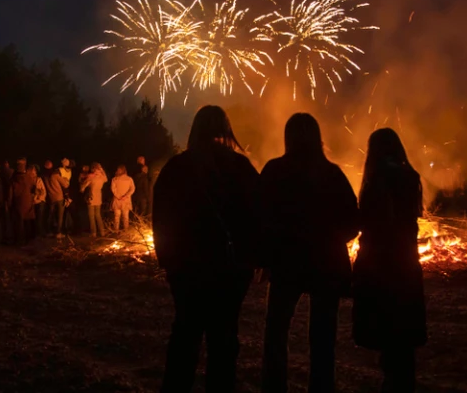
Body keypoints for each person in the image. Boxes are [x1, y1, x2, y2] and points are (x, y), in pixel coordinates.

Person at [152, 105, 260, 393]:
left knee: (185, 335)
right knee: (224, 339)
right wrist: (252, 260)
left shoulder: (177, 168)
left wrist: (168, 262)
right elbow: (259, 215)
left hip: (187, 269)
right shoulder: (241, 168)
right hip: (231, 269)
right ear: (226, 129)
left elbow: (161, 218)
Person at [259, 113, 359, 393]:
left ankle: (274, 387)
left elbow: (259, 217)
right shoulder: (333, 174)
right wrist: (330, 240)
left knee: (276, 332)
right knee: (323, 337)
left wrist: (265, 256)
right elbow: (353, 221)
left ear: (287, 137)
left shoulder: (275, 171)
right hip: (326, 265)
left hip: (285, 263)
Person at [352, 128, 426, 392]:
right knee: (403, 338)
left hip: (380, 265)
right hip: (406, 262)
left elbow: (372, 225)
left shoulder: (376, 179)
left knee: (386, 332)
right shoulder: (411, 176)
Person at [7, 158, 35, 245]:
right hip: (27, 202)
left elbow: (10, 193)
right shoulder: (28, 177)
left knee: (19, 223)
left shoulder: (13, 179)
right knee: (27, 222)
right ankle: (28, 240)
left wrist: (9, 203)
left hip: (18, 203)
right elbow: (33, 188)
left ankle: (20, 240)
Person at [80, 162, 108, 238]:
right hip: (98, 197)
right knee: (98, 215)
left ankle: (93, 233)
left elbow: (83, 186)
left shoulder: (91, 176)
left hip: (91, 197)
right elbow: (106, 179)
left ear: (93, 168)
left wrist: (82, 187)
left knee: (91, 216)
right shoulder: (102, 177)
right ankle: (102, 232)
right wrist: (102, 170)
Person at [47, 164, 70, 239]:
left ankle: (49, 231)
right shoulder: (55, 175)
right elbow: (65, 185)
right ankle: (58, 232)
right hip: (59, 197)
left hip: (51, 198)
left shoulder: (44, 176)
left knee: (51, 215)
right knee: (60, 216)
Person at [111, 165, 135, 232]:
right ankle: (126, 232)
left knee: (117, 217)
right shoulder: (129, 179)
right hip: (126, 200)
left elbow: (113, 189)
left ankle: (116, 231)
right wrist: (126, 196)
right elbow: (132, 189)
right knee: (125, 217)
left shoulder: (114, 179)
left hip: (117, 200)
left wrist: (119, 196)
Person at [29, 165, 47, 239]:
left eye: (34, 170)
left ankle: (39, 233)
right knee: (32, 219)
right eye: (31, 170)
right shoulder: (27, 179)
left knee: (39, 218)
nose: (33, 172)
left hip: (39, 202)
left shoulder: (38, 179)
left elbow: (43, 191)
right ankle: (33, 234)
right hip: (31, 202)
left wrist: (39, 196)